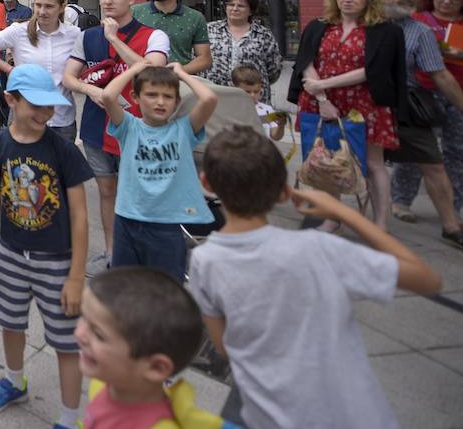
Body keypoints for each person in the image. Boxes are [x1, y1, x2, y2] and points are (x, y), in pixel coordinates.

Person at [189, 127, 443, 429]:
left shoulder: (204, 262)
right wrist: (344, 213)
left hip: (265, 416)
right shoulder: (319, 249)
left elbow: (223, 347)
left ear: (206, 184)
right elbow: (427, 280)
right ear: (284, 192)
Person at [0, 65, 92, 427]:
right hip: (11, 254)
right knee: (11, 323)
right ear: (11, 100)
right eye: (35, 105)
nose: (45, 113)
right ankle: (14, 380)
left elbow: (80, 215)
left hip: (57, 260)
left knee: (66, 341)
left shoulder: (63, 150)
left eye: (49, 106)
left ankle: (70, 418)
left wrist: (76, 276)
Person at [61, 0, 171, 266]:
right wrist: (90, 89)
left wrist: (113, 38)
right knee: (107, 191)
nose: (108, 2)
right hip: (98, 127)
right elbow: (69, 77)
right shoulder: (87, 36)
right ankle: (113, 252)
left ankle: (142, 252)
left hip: (140, 128)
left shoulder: (153, 35)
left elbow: (152, 70)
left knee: (141, 192)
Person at [289, 0, 406, 230]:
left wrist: (323, 86)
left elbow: (374, 69)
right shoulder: (318, 26)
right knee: (327, 161)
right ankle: (333, 219)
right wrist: (321, 97)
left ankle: (380, 223)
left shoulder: (385, 31)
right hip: (320, 102)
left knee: (374, 164)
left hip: (365, 102)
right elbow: (305, 61)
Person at [99, 60, 215, 280]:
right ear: (135, 97)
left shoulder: (184, 129)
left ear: (177, 101)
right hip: (127, 221)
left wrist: (182, 74)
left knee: (167, 288)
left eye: (168, 96)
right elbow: (107, 96)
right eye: (151, 95)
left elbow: (209, 99)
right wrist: (134, 69)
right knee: (125, 286)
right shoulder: (129, 127)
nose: (160, 102)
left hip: (167, 224)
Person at [373, 0, 463, 247]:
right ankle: (378, 217)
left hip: (410, 104)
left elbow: (441, 76)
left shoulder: (419, 30)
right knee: (367, 165)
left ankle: (450, 224)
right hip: (368, 105)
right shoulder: (364, 26)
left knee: (433, 162)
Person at [76, 267, 223, 428]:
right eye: (83, 317)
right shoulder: (105, 383)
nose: (79, 334)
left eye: (99, 335)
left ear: (156, 368)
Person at [0, 0, 82, 141]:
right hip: (24, 118)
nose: (42, 11)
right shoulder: (19, 31)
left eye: (49, 6)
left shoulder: (74, 34)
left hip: (62, 119)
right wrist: (9, 69)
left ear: (61, 7)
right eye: (38, 5)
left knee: (61, 166)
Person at [397, 0, 463, 221]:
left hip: (458, 92)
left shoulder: (460, 25)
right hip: (423, 93)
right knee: (418, 149)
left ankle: (452, 206)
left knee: (457, 152)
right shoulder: (419, 20)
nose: (446, 3)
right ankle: (401, 200)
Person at [206, 0, 282, 100]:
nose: (235, 9)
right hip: (216, 95)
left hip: (253, 97)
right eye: (231, 5)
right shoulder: (209, 30)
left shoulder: (263, 34)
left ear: (251, 10)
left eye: (241, 6)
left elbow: (273, 68)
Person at [133, 0, 211, 74]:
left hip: (180, 82)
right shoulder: (134, 12)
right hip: (139, 78)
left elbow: (204, 59)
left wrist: (178, 72)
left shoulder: (195, 17)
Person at [230, 64, 285, 141]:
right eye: (247, 91)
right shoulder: (230, 108)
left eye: (256, 91)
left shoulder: (267, 110)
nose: (252, 95)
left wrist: (281, 125)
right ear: (234, 89)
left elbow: (275, 136)